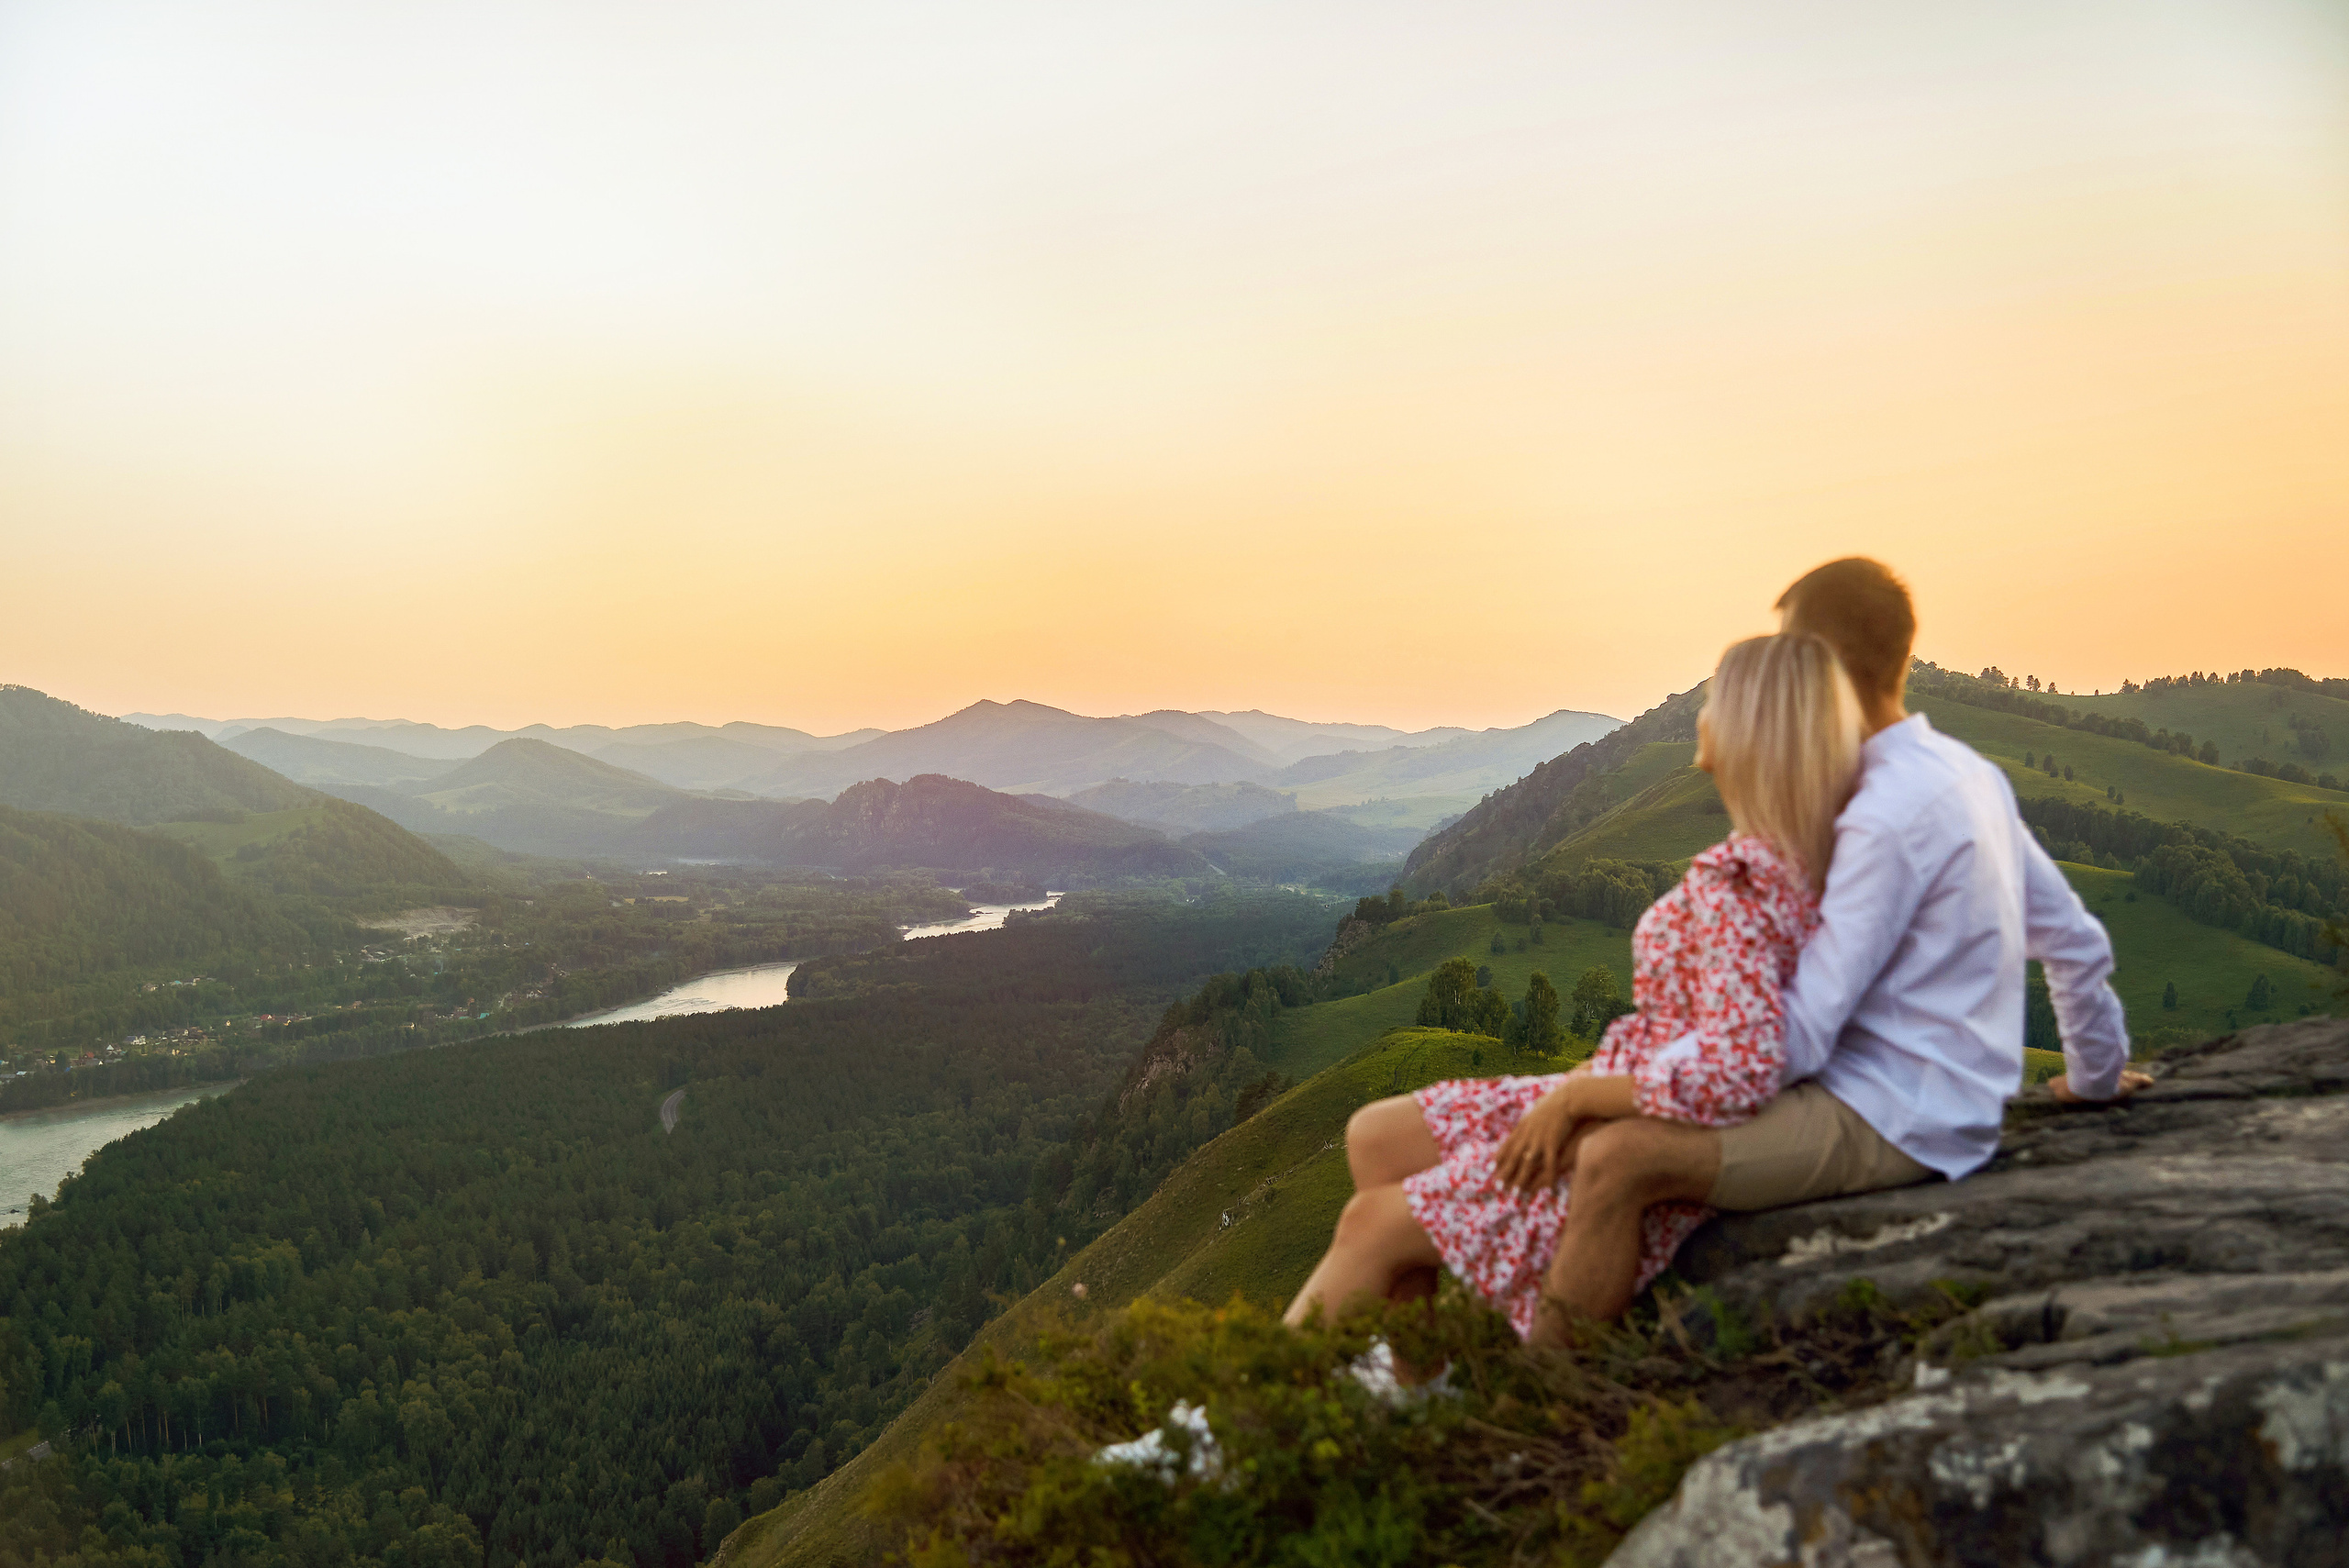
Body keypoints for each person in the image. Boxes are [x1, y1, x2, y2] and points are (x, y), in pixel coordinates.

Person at [1521, 558, 2152, 1330]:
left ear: (1820, 662)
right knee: (1604, 1125)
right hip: (1944, 1100)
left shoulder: (1880, 815)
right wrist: (2092, 1079)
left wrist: (1615, 1081)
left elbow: (1801, 1038)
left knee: (1616, 1159)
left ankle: (1540, 1403)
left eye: (1790, 651)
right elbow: (2076, 941)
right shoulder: (1965, 771)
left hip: (1889, 1112)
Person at [1283, 631, 1862, 1338]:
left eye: (1715, 699)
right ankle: (1416, 1385)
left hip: (1642, 1112)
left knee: (1370, 1222)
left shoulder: (1753, 882)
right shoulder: (1764, 856)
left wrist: (1581, 1096)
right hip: (1631, 1082)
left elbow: (1740, 1068)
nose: (1700, 712)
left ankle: (1218, 1436)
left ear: (1745, 730)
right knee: (1376, 1136)